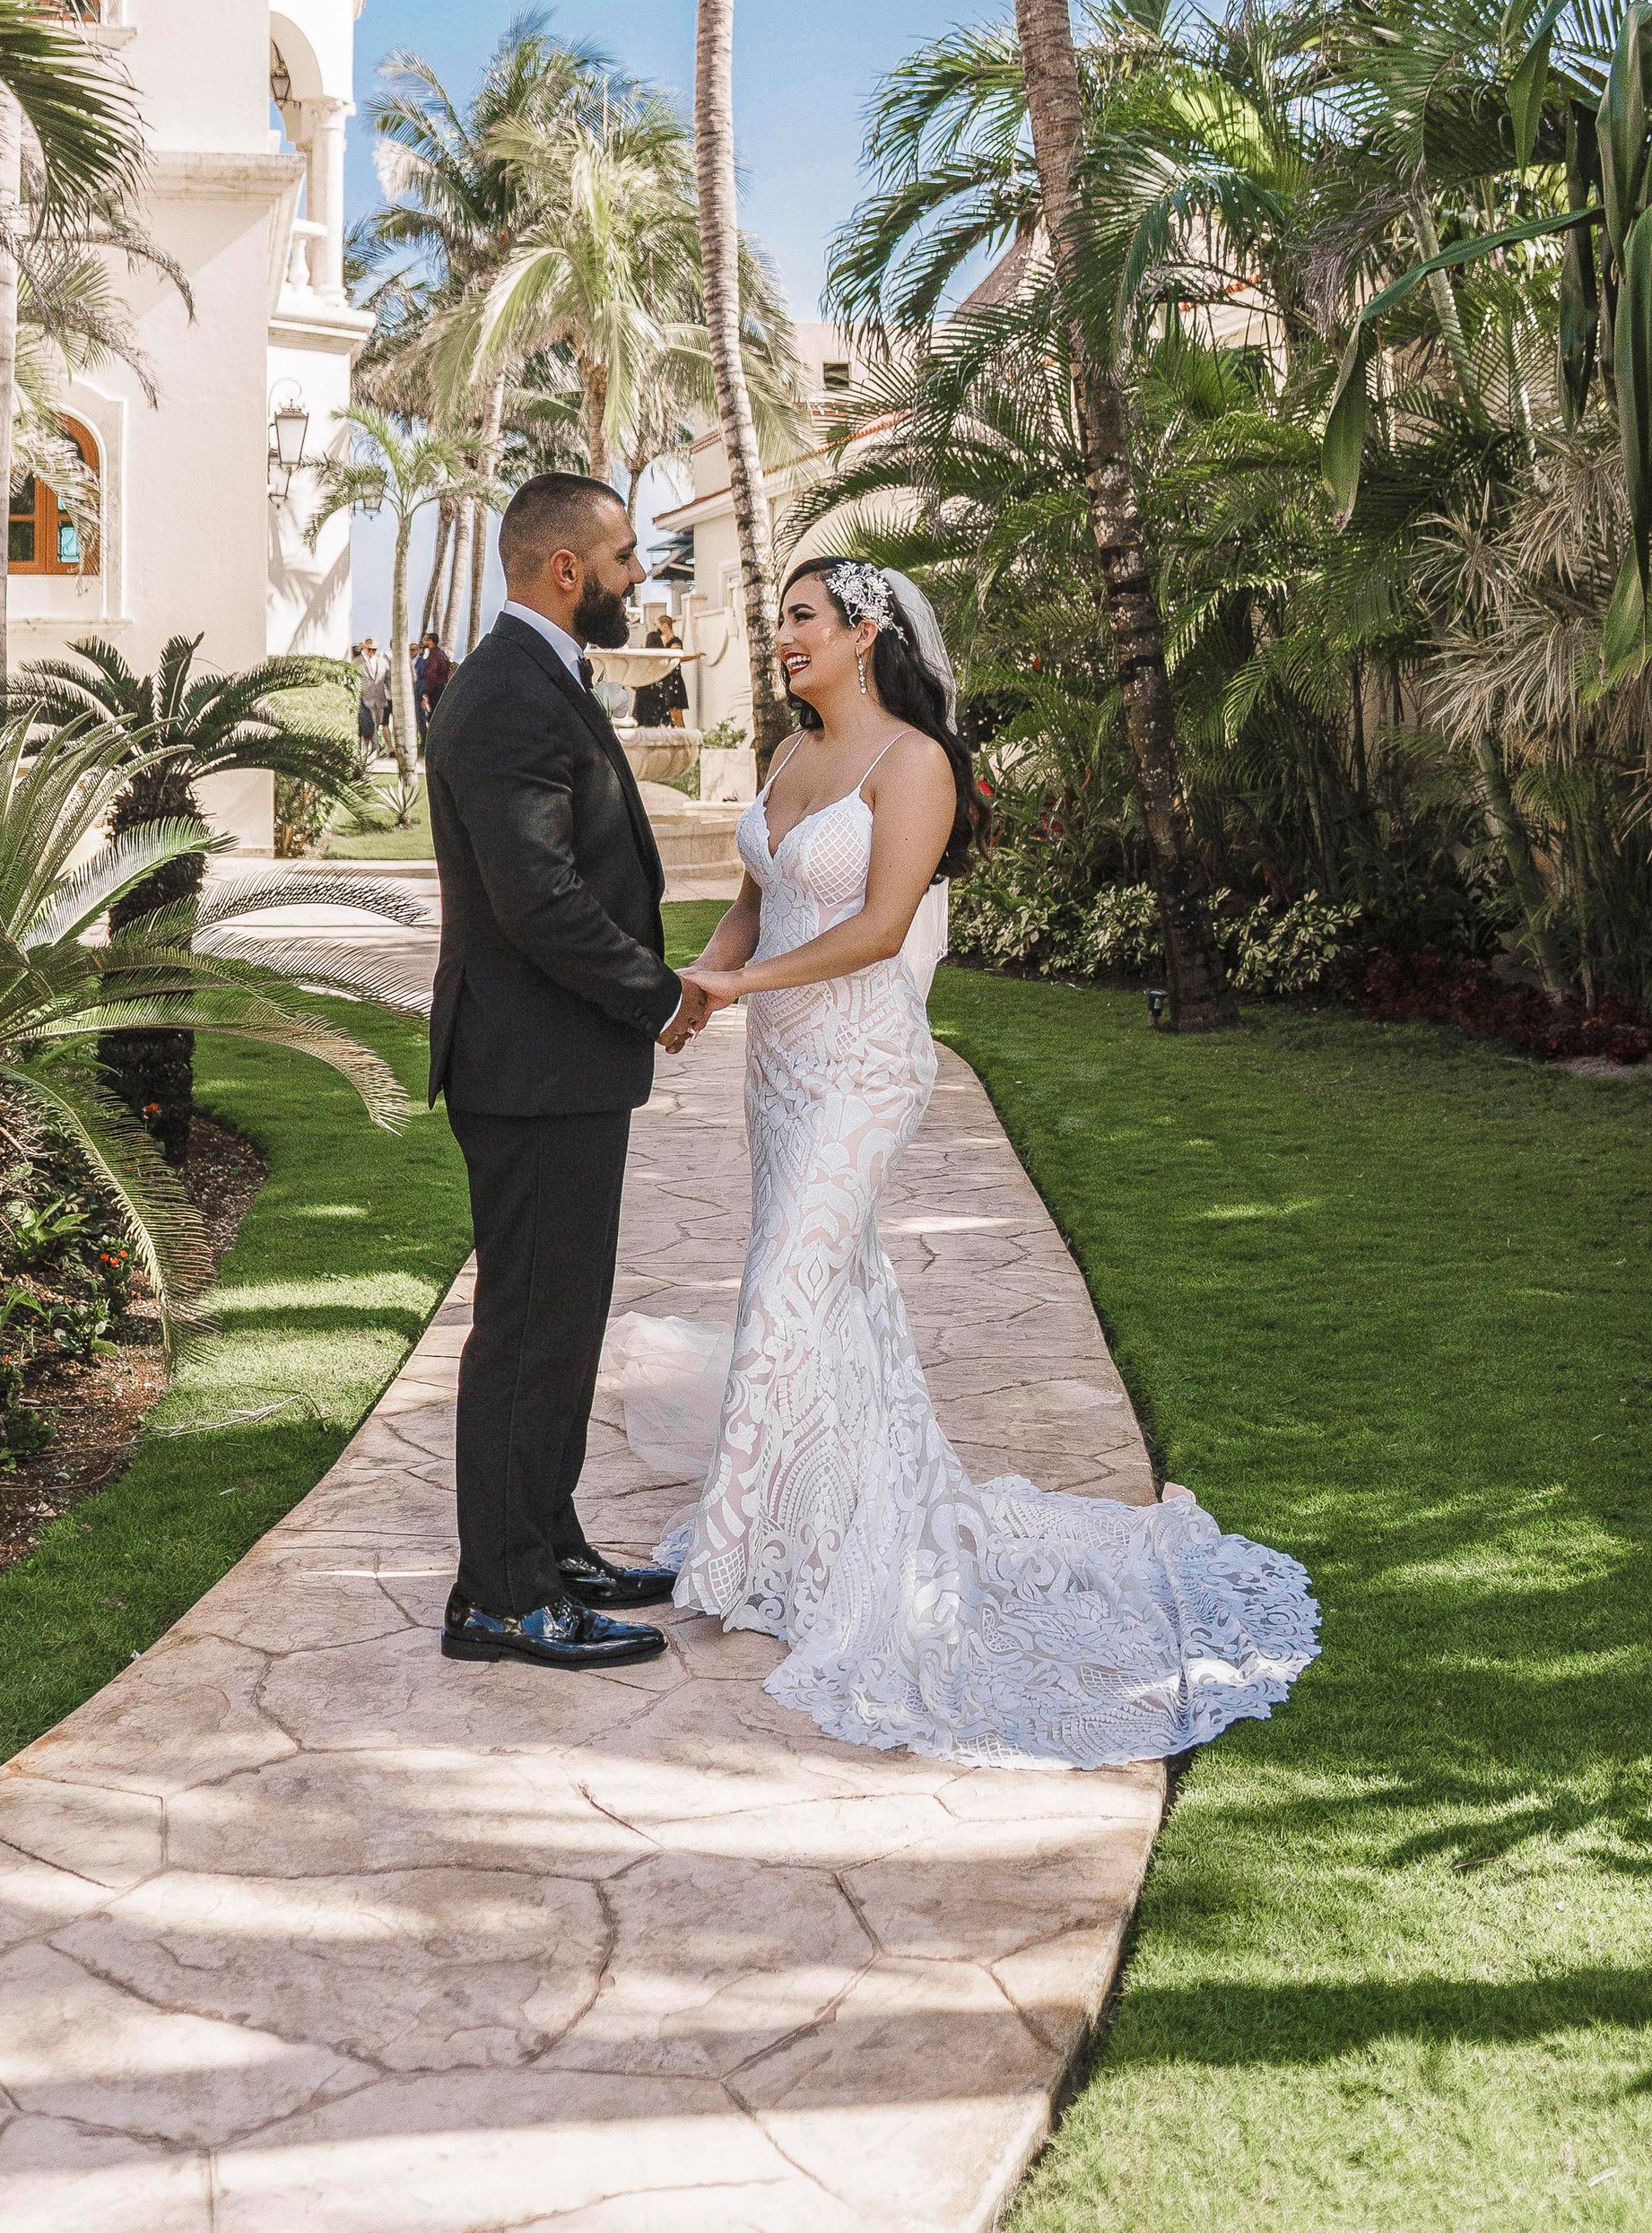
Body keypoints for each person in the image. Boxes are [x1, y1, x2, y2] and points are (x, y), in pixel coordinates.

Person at [626, 555, 1320, 1768]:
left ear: (863, 634)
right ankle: (824, 1511)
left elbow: (880, 927)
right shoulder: (789, 759)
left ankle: (739, 1552)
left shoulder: (917, 765)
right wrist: (703, 982)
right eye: (780, 620)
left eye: (801, 620)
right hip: (778, 1071)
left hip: (860, 1069)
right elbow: (758, 899)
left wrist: (746, 981)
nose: (782, 638)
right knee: (825, 1290)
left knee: (791, 1283)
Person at [422, 474, 709, 1673]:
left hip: (557, 1067)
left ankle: (550, 1544)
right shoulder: (505, 697)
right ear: (563, 572)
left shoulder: (539, 676)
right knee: (530, 1332)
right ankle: (501, 1597)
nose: (639, 575)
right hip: (531, 1065)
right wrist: (658, 994)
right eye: (626, 556)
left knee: (563, 1324)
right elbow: (536, 897)